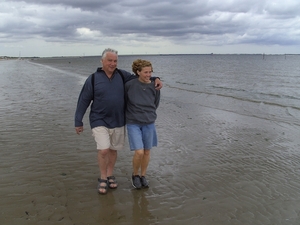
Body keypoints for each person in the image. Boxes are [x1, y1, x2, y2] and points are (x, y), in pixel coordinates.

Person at [74, 48, 163, 194]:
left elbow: (141, 78)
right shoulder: (94, 78)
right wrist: (78, 120)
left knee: (113, 150)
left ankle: (110, 175)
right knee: (104, 150)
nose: (112, 63)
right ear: (102, 61)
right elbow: (83, 100)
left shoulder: (122, 75)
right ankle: (103, 177)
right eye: (109, 60)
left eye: (115, 61)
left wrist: (156, 78)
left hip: (118, 119)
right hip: (99, 119)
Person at [125, 59, 160, 189]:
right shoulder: (129, 85)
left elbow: (155, 103)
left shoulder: (155, 86)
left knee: (146, 151)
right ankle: (135, 175)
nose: (148, 75)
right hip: (133, 122)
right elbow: (125, 101)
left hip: (149, 122)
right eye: (145, 72)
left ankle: (143, 176)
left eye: (150, 72)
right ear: (138, 72)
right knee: (139, 152)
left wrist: (148, 114)